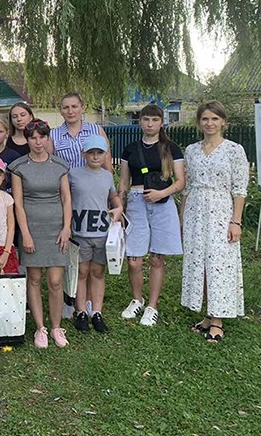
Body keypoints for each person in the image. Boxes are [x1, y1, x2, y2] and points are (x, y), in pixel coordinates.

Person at [181, 101, 249, 343]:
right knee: (200, 263)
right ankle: (208, 315)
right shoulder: (191, 150)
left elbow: (239, 189)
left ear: (223, 122)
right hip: (195, 212)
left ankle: (218, 321)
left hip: (221, 212)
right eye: (205, 119)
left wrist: (236, 222)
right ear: (199, 122)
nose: (209, 123)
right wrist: (182, 218)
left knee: (219, 263)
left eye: (214, 119)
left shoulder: (234, 150)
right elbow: (187, 187)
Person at [117, 104, 185, 326]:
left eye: (155, 120)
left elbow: (180, 182)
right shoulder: (130, 149)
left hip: (162, 203)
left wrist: (161, 194)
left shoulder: (171, 148)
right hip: (136, 203)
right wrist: (120, 206)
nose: (150, 124)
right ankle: (137, 299)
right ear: (140, 122)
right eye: (146, 119)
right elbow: (124, 182)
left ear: (161, 123)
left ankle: (152, 306)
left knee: (157, 258)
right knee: (134, 260)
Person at [9, 119, 71, 349]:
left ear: (47, 138)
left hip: (56, 228)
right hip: (32, 228)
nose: (38, 142)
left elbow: (66, 198)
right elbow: (18, 203)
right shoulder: (19, 167)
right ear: (27, 140)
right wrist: (25, 233)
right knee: (34, 279)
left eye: (42, 137)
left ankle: (56, 327)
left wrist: (66, 228)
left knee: (55, 280)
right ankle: (40, 328)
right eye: (33, 138)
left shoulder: (60, 165)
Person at [50, 92, 111, 319]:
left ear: (82, 107)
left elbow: (107, 165)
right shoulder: (55, 135)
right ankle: (71, 298)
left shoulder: (96, 131)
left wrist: (109, 197)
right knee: (72, 251)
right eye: (66, 107)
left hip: (93, 197)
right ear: (61, 110)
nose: (70, 111)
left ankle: (89, 303)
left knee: (91, 260)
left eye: (74, 106)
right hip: (68, 197)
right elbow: (51, 166)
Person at [69, 135, 123, 334]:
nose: (95, 156)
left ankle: (97, 312)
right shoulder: (73, 174)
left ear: (105, 154)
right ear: (83, 153)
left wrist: (119, 207)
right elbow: (65, 198)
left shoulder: (107, 176)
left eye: (99, 152)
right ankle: (81, 311)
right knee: (82, 272)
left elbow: (113, 195)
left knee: (97, 272)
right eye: (91, 152)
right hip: (80, 231)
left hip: (101, 232)